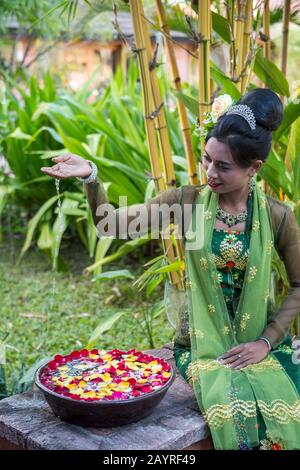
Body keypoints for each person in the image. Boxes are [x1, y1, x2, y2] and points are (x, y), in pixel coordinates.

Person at [41, 88, 300, 450]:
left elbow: (299, 285)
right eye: (207, 159)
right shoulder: (185, 203)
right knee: (230, 409)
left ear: (254, 168)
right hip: (202, 346)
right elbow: (109, 225)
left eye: (223, 166)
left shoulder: (276, 215)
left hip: (261, 343)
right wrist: (90, 177)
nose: (210, 172)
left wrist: (265, 340)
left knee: (285, 414)